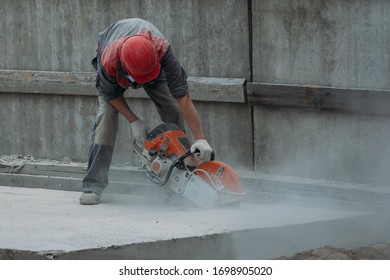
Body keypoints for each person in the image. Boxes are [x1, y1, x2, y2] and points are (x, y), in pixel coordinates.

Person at [80, 18, 213, 205]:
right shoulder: (109, 60)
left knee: (172, 109)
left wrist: (200, 139)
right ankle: (93, 185)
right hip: (117, 67)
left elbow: (182, 97)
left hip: (153, 68)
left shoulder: (163, 51)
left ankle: (182, 175)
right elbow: (110, 95)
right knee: (106, 118)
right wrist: (134, 120)